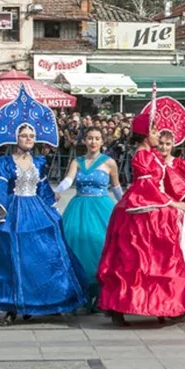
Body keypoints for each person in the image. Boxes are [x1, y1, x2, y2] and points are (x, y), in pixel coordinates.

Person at [0, 87, 90, 326]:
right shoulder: (4, 161)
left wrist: (52, 202)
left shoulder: (40, 161)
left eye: (32, 136)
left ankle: (47, 300)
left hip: (36, 208)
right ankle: (12, 305)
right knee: (13, 257)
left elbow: (43, 187)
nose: (29, 139)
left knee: (43, 255)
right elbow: (0, 187)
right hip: (14, 209)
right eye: (24, 136)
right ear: (16, 138)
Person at [97, 96, 185, 327]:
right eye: (154, 130)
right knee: (142, 260)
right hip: (144, 211)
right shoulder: (142, 156)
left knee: (156, 260)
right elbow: (145, 187)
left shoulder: (152, 155)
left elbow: (174, 180)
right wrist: (171, 204)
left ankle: (160, 304)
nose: (158, 134)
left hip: (153, 208)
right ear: (143, 133)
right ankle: (133, 305)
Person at [56, 127, 123, 309]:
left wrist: (126, 204)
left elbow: (116, 188)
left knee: (101, 244)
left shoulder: (110, 163)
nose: (93, 142)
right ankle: (81, 291)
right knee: (75, 245)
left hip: (102, 207)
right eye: (90, 138)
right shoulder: (76, 162)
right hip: (79, 207)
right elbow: (68, 181)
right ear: (84, 141)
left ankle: (101, 292)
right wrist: (56, 191)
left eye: (97, 138)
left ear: (102, 141)